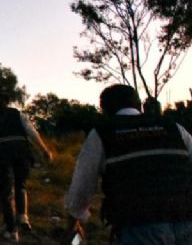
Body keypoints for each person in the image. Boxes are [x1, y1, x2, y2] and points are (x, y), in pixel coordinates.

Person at [64, 84, 192, 245]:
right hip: (186, 217)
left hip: (138, 224)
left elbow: (83, 184)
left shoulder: (102, 133)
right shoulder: (174, 128)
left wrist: (73, 222)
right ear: (139, 105)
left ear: (105, 110)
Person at [0, 93, 54, 243]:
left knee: (5, 191)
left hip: (0, 153)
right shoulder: (17, 114)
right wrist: (45, 150)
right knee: (21, 185)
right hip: (22, 152)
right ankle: (23, 217)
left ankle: (11, 230)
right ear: (6, 102)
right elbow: (32, 132)